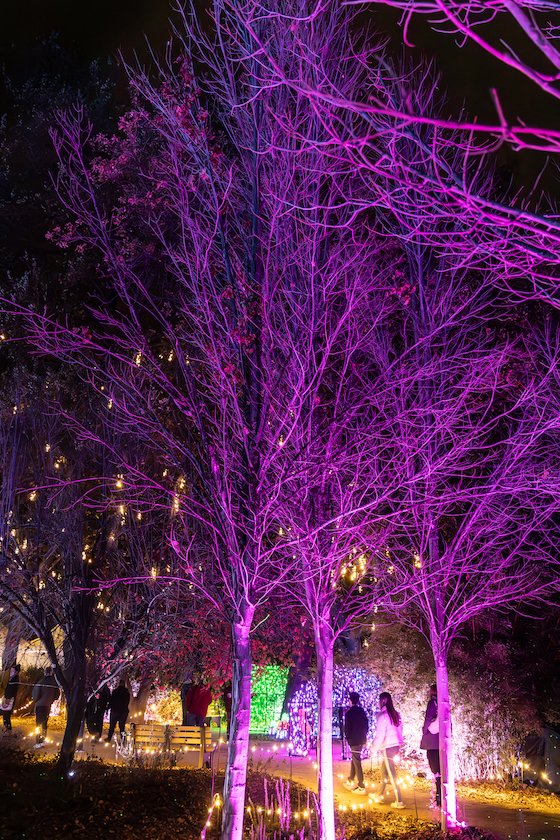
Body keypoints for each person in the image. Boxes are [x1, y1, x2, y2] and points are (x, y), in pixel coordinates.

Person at [371, 691, 405, 809]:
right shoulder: (395, 714)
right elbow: (400, 730)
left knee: (391, 773)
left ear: (383, 701)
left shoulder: (383, 716)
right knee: (384, 771)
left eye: (379, 700)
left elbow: (380, 735)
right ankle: (379, 794)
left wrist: (373, 749)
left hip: (388, 747)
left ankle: (399, 800)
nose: (378, 703)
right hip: (395, 746)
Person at [343, 691, 369, 794]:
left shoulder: (349, 713)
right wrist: (364, 736)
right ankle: (350, 779)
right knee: (355, 759)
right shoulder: (362, 711)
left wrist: (348, 738)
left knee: (357, 761)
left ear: (350, 700)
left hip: (353, 740)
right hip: (361, 739)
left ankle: (361, 785)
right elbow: (367, 725)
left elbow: (347, 728)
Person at [420, 684, 441, 808]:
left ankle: (438, 797)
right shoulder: (444, 703)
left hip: (432, 741)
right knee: (440, 769)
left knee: (435, 770)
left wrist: (424, 729)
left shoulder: (432, 703)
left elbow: (428, 719)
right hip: (441, 741)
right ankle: (440, 796)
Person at [32, 666, 60, 746]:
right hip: (48, 705)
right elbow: (57, 695)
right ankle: (43, 739)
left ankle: (38, 741)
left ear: (45, 672)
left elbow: (36, 695)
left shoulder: (41, 682)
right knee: (44, 723)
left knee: (38, 723)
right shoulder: (54, 683)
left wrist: (35, 700)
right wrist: (51, 700)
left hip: (40, 705)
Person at [1, 664, 20, 731]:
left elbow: (12, 691)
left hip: (9, 699)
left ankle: (8, 729)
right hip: (7, 698)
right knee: (5, 715)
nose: (11, 672)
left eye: (12, 671)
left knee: (6, 715)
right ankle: (6, 728)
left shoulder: (15, 680)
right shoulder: (10, 679)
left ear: (16, 672)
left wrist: (8, 698)